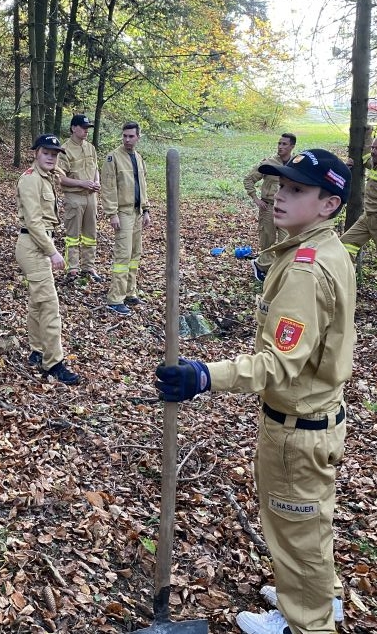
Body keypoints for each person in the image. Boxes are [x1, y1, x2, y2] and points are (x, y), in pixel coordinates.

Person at [155, 149, 355, 634]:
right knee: (306, 531)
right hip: (313, 419)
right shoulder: (322, 250)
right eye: (281, 186)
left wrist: (205, 375)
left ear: (329, 204)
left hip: (298, 431)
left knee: (297, 530)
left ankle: (305, 621)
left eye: (297, 190)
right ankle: (311, 594)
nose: (280, 196)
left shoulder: (307, 269)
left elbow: (280, 365)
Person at [15, 134, 80, 385]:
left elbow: (59, 174)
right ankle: (54, 363)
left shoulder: (47, 177)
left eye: (55, 154)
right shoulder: (30, 180)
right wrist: (52, 251)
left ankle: (37, 350)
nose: (51, 157)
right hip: (34, 246)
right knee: (50, 306)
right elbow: (33, 222)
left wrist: (55, 169)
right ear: (36, 153)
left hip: (38, 243)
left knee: (37, 302)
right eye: (46, 153)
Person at [100, 121, 151, 316]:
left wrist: (146, 210)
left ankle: (130, 291)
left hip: (137, 212)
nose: (127, 139)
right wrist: (112, 213)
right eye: (125, 136)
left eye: (131, 136)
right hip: (123, 213)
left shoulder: (138, 157)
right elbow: (109, 188)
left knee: (135, 254)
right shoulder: (113, 158)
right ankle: (115, 298)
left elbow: (143, 185)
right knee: (122, 256)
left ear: (138, 137)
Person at [244, 133, 297, 282]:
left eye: (284, 144)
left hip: (288, 209)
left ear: (292, 146)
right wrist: (255, 199)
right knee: (267, 240)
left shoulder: (297, 164)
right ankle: (263, 268)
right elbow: (248, 179)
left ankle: (278, 268)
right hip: (268, 207)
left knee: (286, 241)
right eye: (279, 143)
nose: (280, 147)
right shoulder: (269, 163)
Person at [57, 114, 102, 282]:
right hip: (74, 197)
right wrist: (83, 183)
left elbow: (96, 168)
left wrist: (97, 182)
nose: (86, 131)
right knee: (73, 236)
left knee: (91, 235)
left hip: (91, 197)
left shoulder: (90, 148)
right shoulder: (64, 150)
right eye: (83, 128)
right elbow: (61, 178)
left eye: (87, 128)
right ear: (73, 128)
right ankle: (72, 269)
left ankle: (88, 267)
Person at [341, 135, 377, 279]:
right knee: (343, 246)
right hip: (366, 219)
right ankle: (346, 280)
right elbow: (366, 157)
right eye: (373, 147)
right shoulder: (376, 164)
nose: (373, 151)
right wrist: (367, 133)